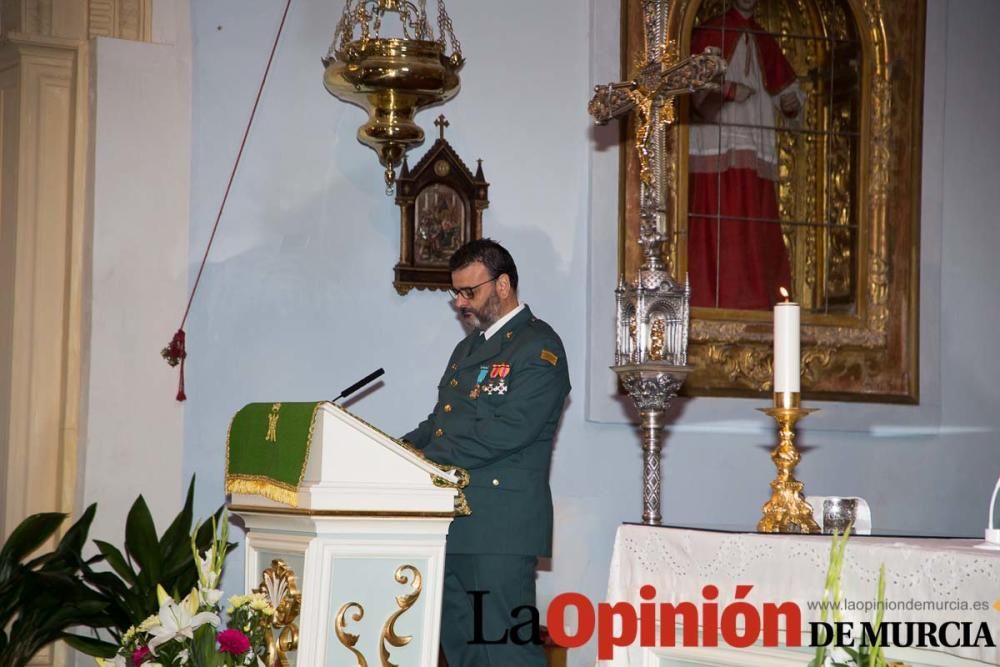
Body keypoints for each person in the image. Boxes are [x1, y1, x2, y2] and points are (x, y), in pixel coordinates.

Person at [401, 238, 570, 666]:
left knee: (505, 655)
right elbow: (440, 423)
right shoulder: (469, 349)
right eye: (455, 293)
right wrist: (396, 449)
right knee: (462, 655)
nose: (460, 304)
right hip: (454, 525)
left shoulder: (538, 348)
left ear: (503, 284)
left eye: (468, 292)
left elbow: (508, 431)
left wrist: (425, 458)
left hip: (498, 530)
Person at [687, 0, 803, 310]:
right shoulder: (712, 30)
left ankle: (756, 297)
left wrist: (790, 103)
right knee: (720, 212)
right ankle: (710, 296)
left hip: (754, 137)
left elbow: (785, 88)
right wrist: (727, 90)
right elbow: (689, 81)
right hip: (718, 141)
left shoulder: (763, 38)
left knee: (754, 215)